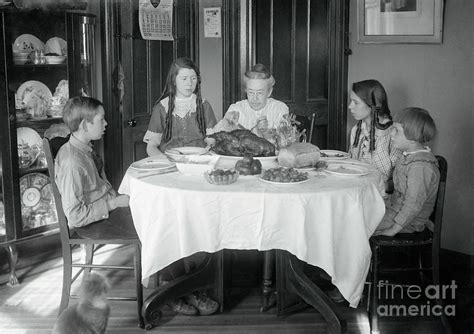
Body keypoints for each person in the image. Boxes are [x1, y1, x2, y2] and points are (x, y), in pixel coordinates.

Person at [55, 96, 130, 228]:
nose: (106, 123)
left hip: (106, 201)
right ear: (84, 125)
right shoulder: (73, 164)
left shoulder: (83, 147)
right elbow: (75, 217)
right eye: (101, 120)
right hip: (94, 221)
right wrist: (115, 203)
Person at [373, 107, 439, 236]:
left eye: (396, 131)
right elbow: (401, 183)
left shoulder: (420, 167)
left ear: (413, 138)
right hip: (395, 210)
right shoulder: (407, 156)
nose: (391, 134)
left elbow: (413, 204)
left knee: (359, 224)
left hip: (407, 221)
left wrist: (393, 230)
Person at [144, 57, 217, 157]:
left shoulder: (204, 105)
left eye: (193, 78)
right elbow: (151, 146)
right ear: (174, 80)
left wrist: (210, 146)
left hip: (198, 161)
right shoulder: (161, 108)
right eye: (184, 78)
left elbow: (211, 139)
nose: (189, 83)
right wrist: (164, 160)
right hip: (170, 161)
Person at [348, 79, 402, 192]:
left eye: (355, 102)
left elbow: (399, 179)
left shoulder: (394, 134)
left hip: (382, 196)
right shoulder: (356, 130)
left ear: (373, 105)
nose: (350, 106)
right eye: (350, 101)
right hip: (357, 189)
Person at [225, 63, 289, 135]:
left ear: (269, 92)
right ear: (246, 90)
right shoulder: (236, 109)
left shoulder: (279, 109)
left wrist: (267, 132)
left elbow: (285, 140)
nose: (255, 98)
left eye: (260, 93)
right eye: (251, 92)